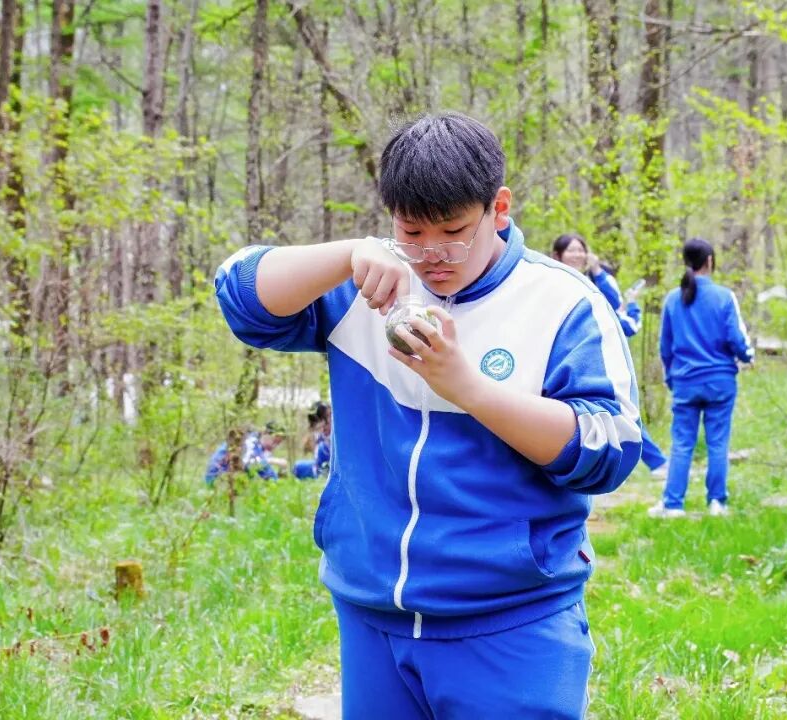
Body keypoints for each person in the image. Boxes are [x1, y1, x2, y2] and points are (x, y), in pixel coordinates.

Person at [214, 112, 641, 719]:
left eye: (454, 231)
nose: (433, 255)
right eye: (411, 231)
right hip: (371, 615)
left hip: (511, 622)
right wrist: (348, 254)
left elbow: (610, 447)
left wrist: (468, 387)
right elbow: (239, 296)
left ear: (498, 208)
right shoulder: (366, 284)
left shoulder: (562, 302)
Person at [648, 238, 754, 519]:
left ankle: (673, 505)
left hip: (685, 382)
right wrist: (747, 356)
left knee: (682, 443)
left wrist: (672, 378)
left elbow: (665, 347)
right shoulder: (724, 296)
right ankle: (716, 502)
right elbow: (736, 338)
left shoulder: (673, 299)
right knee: (718, 442)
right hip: (720, 381)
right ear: (709, 261)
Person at [551, 233, 668, 476]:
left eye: (581, 250)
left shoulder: (595, 283)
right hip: (561, 361)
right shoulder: (548, 282)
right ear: (557, 255)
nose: (577, 255)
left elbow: (616, 308)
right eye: (571, 250)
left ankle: (651, 462)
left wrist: (598, 271)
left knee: (618, 411)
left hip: (596, 359)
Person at [203, 422, 286, 485]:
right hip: (217, 478)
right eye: (274, 441)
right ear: (265, 433)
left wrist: (277, 480)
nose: (274, 446)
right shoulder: (250, 440)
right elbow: (249, 464)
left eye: (278, 443)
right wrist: (271, 461)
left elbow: (265, 471)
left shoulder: (259, 448)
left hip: (228, 480)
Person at [294, 401, 332, 480]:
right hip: (320, 465)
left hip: (331, 465)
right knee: (297, 467)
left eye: (329, 416)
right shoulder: (319, 436)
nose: (329, 420)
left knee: (322, 448)